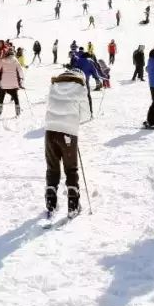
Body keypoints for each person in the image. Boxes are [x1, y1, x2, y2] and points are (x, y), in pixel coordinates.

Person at [43, 68, 90, 218]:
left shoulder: (54, 85)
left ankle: (51, 201)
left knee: (52, 168)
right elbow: (86, 115)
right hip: (68, 133)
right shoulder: (80, 87)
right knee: (71, 168)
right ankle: (73, 204)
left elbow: (49, 106)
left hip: (50, 132)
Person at [0, 47, 25, 117]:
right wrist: (22, 79)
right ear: (13, 53)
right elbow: (21, 71)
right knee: (15, 97)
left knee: (1, 96)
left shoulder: (2, 60)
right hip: (14, 83)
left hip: (4, 83)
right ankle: (18, 111)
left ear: (7, 53)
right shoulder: (16, 60)